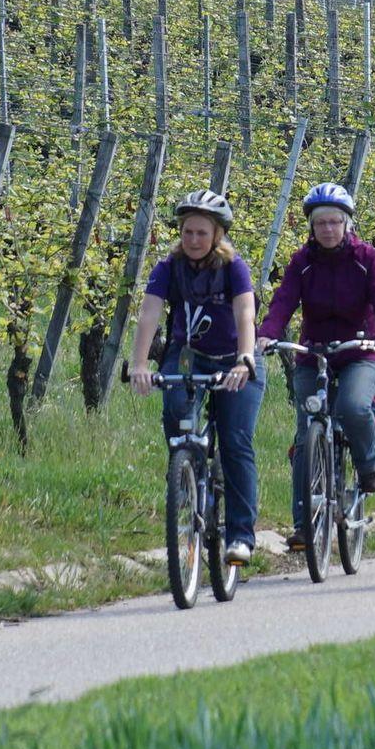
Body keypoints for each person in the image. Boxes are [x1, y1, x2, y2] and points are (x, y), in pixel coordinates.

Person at [256, 182, 375, 541]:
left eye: (335, 221)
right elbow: (283, 300)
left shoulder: (366, 258)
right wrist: (267, 333)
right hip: (314, 353)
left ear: (347, 223)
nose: (328, 229)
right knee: (306, 435)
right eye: (321, 223)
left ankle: (368, 466)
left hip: (361, 350)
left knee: (353, 406)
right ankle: (304, 527)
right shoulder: (302, 262)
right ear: (312, 226)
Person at [127, 190, 264, 565]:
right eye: (187, 231)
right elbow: (149, 314)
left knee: (235, 442)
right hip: (188, 356)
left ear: (217, 235)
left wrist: (245, 359)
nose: (193, 239)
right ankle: (186, 477)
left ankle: (240, 536)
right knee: (175, 411)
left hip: (235, 360)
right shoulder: (168, 267)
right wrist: (139, 364)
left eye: (202, 232)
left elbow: (245, 313)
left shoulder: (233, 267)